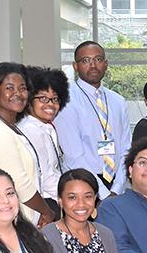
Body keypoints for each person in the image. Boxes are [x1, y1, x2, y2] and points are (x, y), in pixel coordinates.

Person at [0, 63, 52, 228]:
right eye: (9, 88)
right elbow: (18, 182)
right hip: (5, 223)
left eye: (22, 88)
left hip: (21, 221)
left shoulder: (10, 127)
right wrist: (47, 211)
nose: (18, 93)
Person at [54, 41, 131, 200]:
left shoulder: (118, 101)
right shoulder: (66, 100)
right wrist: (103, 193)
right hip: (83, 185)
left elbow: (126, 149)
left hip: (117, 184)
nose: (93, 65)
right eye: (86, 61)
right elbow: (73, 156)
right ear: (75, 66)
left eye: (98, 59)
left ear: (106, 64)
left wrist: (117, 188)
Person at [18, 67, 69, 216]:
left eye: (54, 99)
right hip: (43, 206)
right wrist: (67, 198)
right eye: (43, 98)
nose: (50, 104)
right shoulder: (31, 130)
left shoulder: (46, 128)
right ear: (28, 100)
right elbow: (44, 177)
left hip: (52, 199)